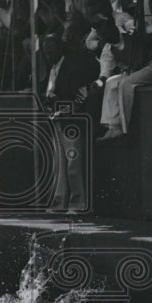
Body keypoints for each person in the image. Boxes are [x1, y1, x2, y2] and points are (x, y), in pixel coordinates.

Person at [40, 32, 99, 214]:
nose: (49, 56)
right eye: (46, 53)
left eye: (51, 52)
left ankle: (77, 202)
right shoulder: (51, 69)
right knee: (60, 164)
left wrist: (62, 107)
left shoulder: (72, 68)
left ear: (59, 49)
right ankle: (60, 202)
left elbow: (81, 97)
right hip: (57, 120)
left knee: (73, 163)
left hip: (70, 121)